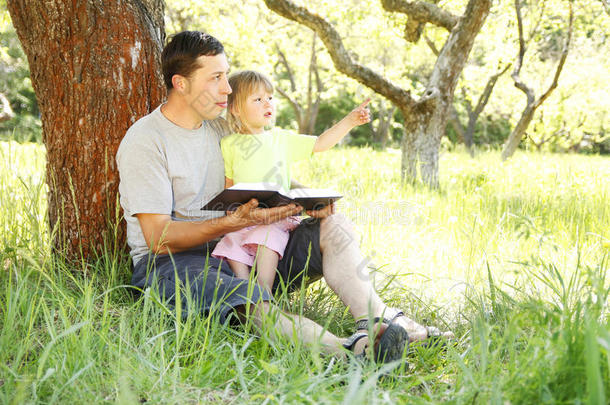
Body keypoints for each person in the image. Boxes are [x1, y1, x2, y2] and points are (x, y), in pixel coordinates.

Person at [116, 30, 451, 365]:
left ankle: (382, 321)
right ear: (181, 83)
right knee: (248, 299)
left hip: (247, 243)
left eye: (226, 76)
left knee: (334, 225)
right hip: (177, 263)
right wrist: (232, 222)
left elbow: (270, 172)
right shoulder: (146, 141)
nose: (228, 89)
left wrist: (307, 200)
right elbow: (158, 238)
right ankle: (353, 353)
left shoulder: (223, 127)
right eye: (216, 78)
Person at [210, 70, 371, 293]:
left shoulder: (282, 139)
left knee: (266, 237)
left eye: (270, 98)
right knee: (231, 243)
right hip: (246, 217)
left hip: (277, 217)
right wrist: (230, 212)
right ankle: (244, 292)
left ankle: (263, 293)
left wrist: (349, 121)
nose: (267, 103)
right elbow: (230, 185)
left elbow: (321, 143)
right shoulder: (229, 144)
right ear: (236, 109)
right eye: (258, 99)